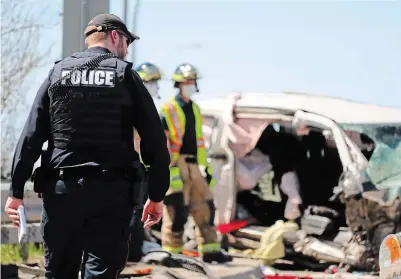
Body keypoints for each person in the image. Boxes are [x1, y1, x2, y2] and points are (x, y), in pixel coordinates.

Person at [3, 13, 170, 279]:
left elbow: (31, 136)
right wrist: (157, 195)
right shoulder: (125, 75)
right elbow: (156, 143)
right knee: (101, 273)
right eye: (127, 41)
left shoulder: (57, 74)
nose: (127, 49)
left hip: (61, 193)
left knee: (59, 272)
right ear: (115, 36)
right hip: (111, 193)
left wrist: (16, 191)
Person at [159, 62, 232, 263]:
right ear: (178, 84)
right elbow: (162, 140)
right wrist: (167, 169)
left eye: (192, 81)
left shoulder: (195, 108)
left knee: (205, 207)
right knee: (176, 211)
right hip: (176, 164)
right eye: (187, 82)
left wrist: (205, 167)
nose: (190, 85)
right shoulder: (168, 108)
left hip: (195, 165)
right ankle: (171, 253)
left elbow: (199, 140)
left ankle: (210, 250)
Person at [127, 61, 163, 262]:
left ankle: (133, 252)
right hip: (131, 170)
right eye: (151, 82)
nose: (155, 86)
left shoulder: (144, 107)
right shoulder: (132, 106)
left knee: (138, 213)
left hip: (141, 170)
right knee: (134, 213)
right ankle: (131, 255)